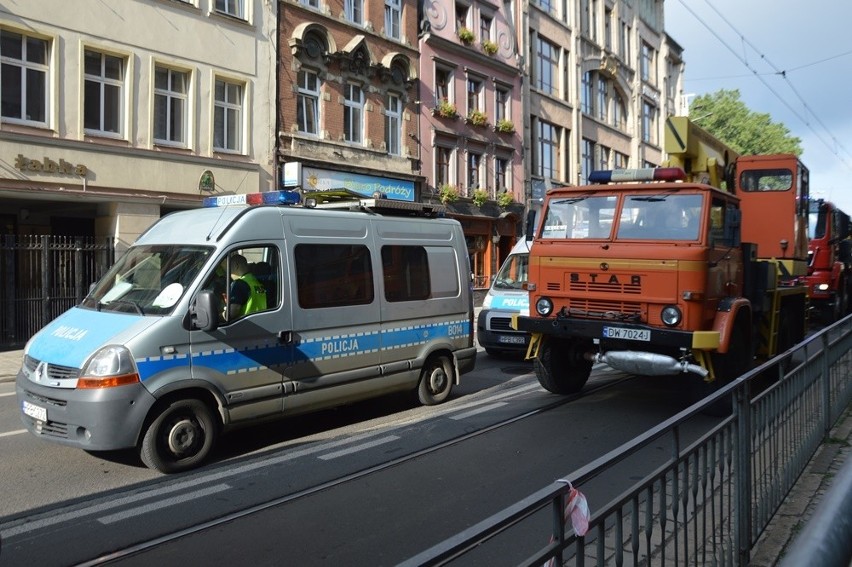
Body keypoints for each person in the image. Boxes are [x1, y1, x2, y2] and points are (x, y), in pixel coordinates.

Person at [226, 253, 267, 320]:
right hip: (261, 322)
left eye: (229, 268)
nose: (228, 272)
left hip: (245, 325)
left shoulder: (239, 283)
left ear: (236, 266)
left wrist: (219, 316)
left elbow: (232, 313)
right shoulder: (257, 282)